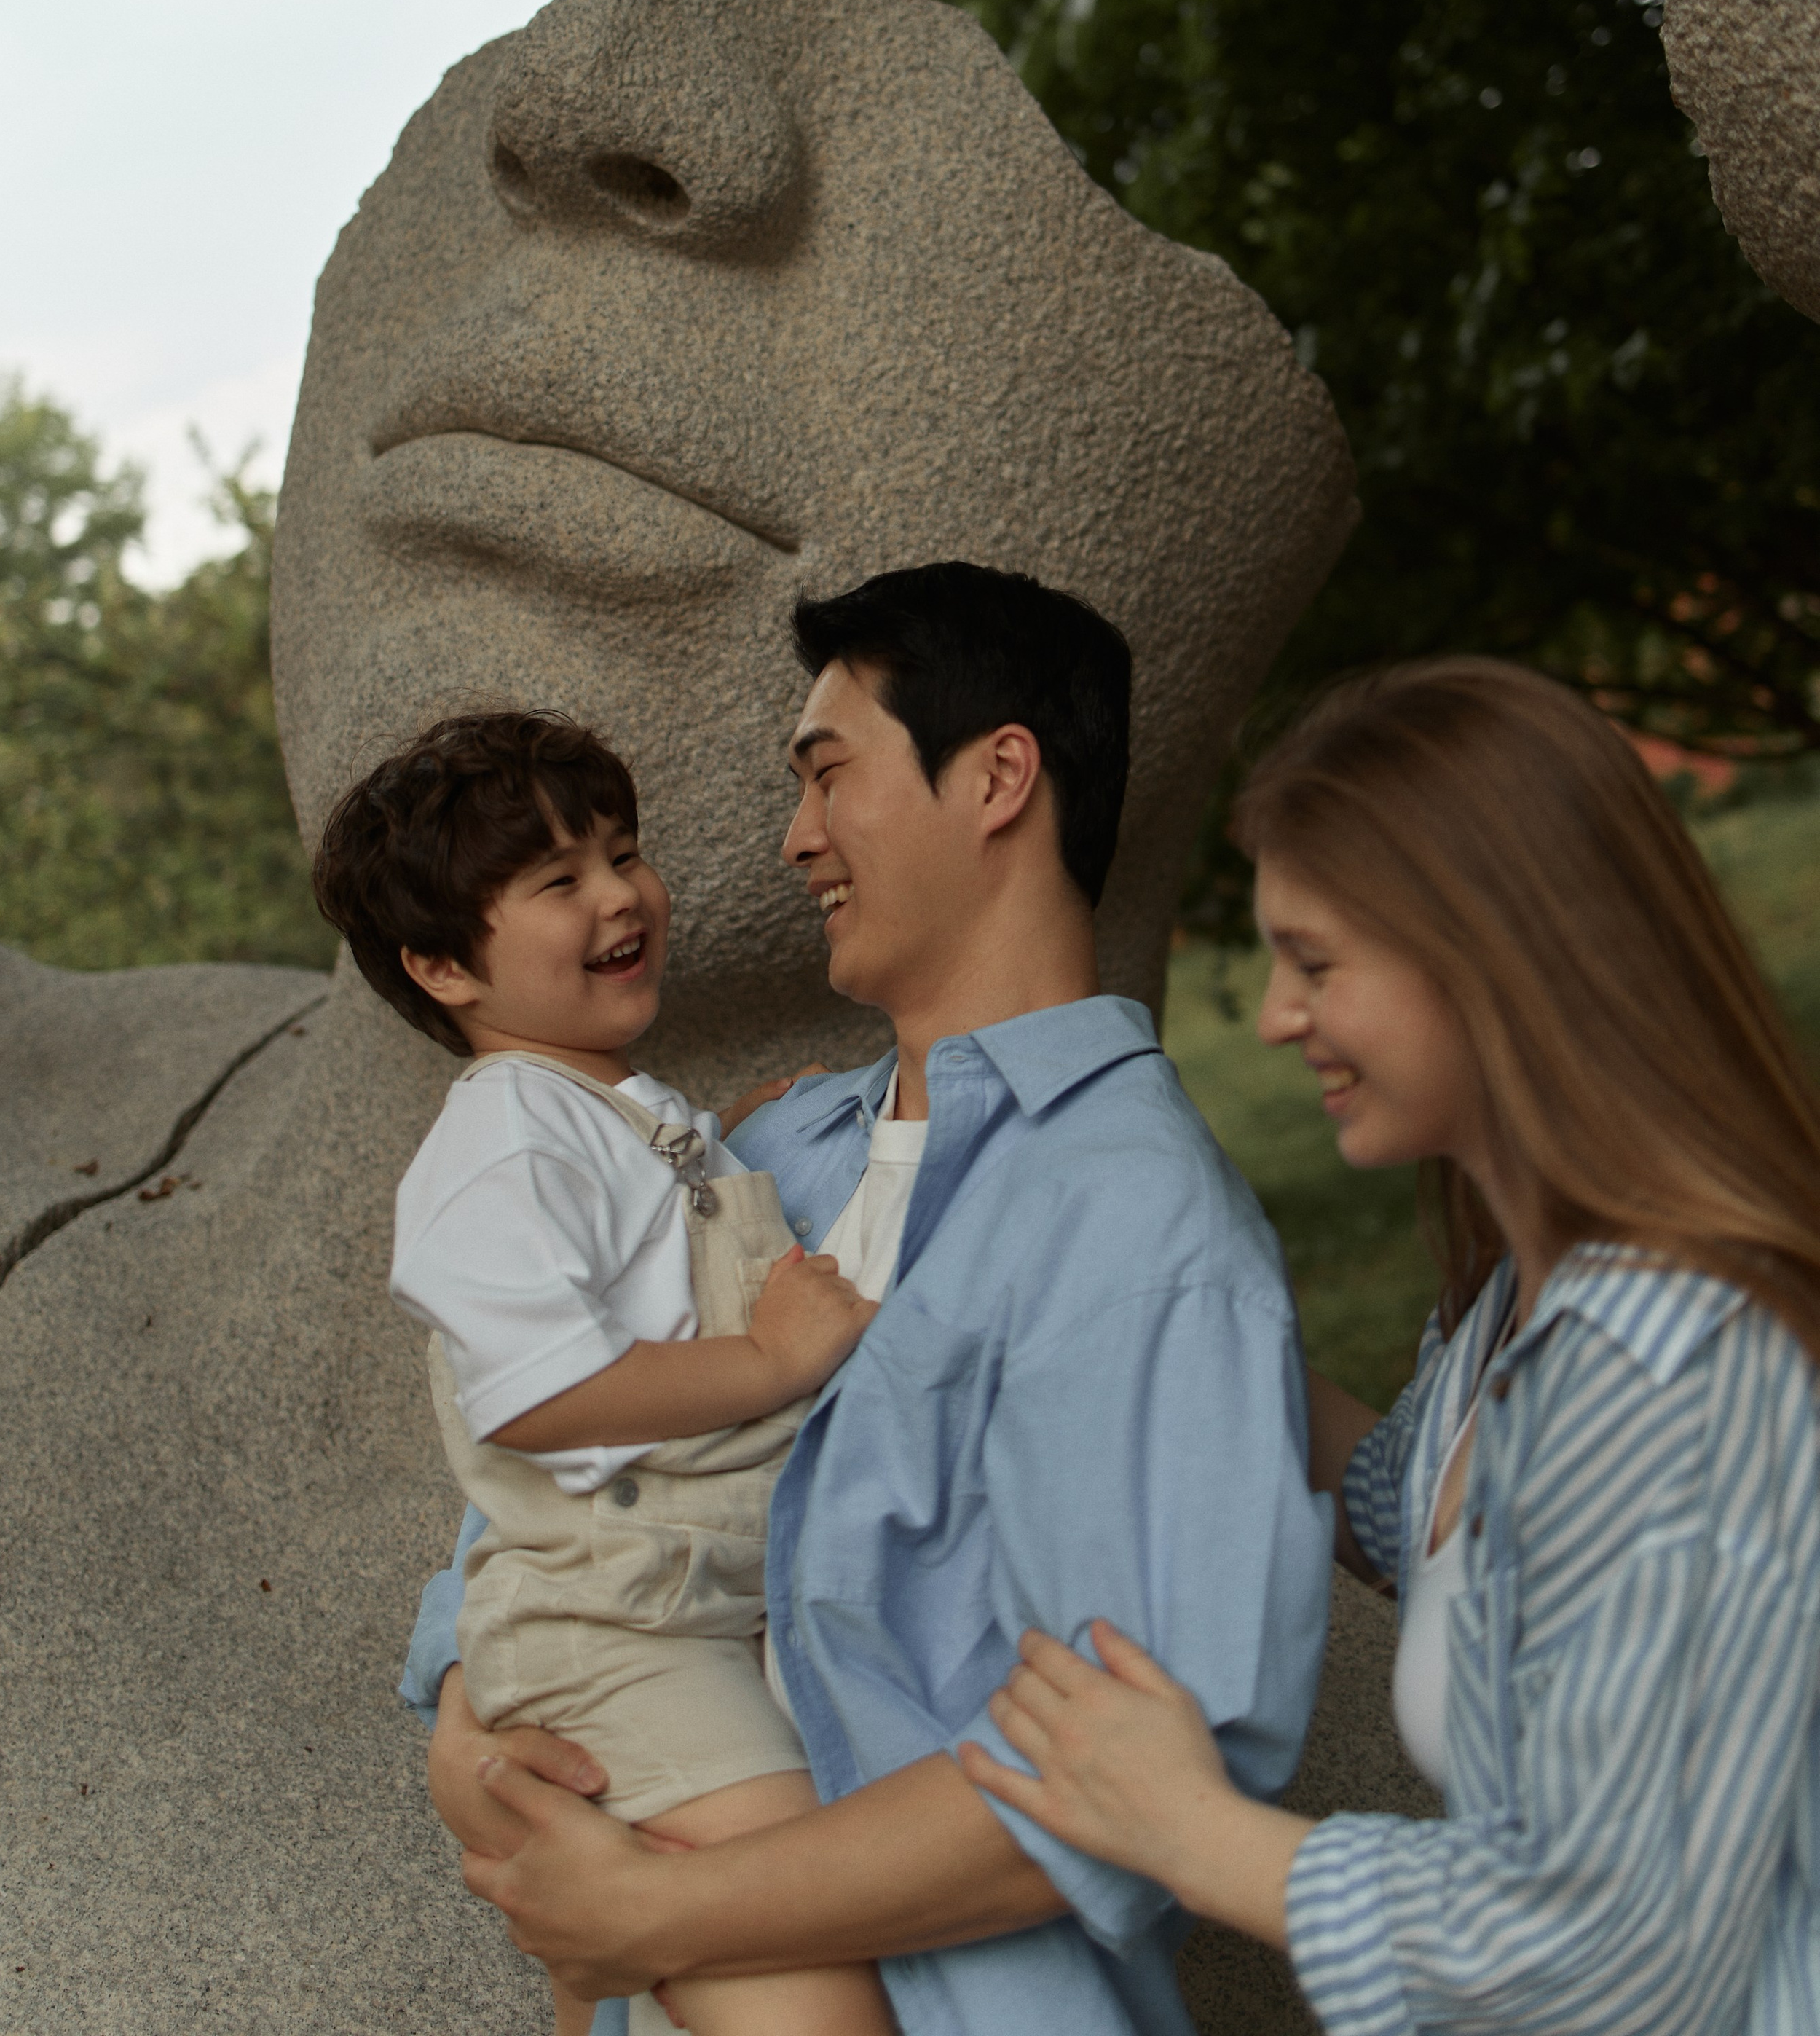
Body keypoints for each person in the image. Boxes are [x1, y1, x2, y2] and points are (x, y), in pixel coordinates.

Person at [412, 562, 1334, 2035]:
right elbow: (537, 1490)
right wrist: (468, 1736)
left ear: (996, 779)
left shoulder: (1139, 1226)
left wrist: (657, 1910)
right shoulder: (759, 1152)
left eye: (827, 777)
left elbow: (1124, 1780)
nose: (792, 840)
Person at [957, 659, 1820, 2035]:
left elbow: (1618, 1953)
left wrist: (1192, 1831)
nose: (1282, 1015)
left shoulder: (1676, 1373)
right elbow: (1412, 1503)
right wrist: (1143, 1306)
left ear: (1492, 954)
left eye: (1316, 961)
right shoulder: (1512, 1322)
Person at [312, 709, 893, 2036]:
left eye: (622, 852)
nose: (620, 894)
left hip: (691, 1608)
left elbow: (652, 1244)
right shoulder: (502, 1135)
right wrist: (766, 1356)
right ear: (442, 967)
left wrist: (729, 1142)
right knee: (805, 1987)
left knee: (659, 1971)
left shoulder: (614, 1108)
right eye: (558, 882)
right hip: (622, 1634)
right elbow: (536, 1393)